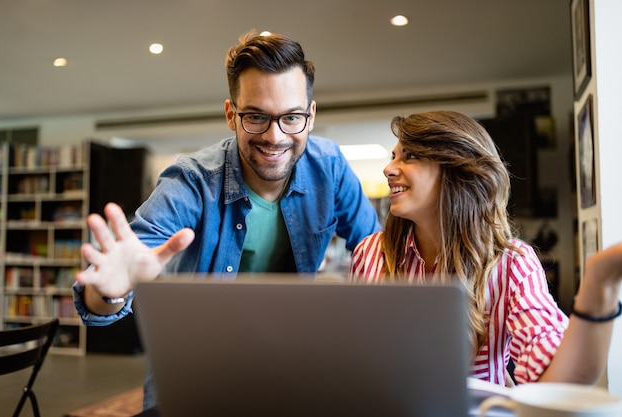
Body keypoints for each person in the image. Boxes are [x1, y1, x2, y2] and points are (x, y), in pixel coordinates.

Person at [72, 31, 381, 409]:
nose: (275, 136)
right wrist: (110, 291)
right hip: (198, 372)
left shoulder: (330, 168)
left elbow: (377, 252)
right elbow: (104, 296)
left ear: (310, 115)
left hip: (292, 363)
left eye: (292, 117)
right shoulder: (191, 180)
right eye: (255, 117)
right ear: (231, 114)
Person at [349, 110, 622, 387]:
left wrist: (600, 282)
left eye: (410, 156)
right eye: (394, 156)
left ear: (457, 171)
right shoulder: (369, 253)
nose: (389, 169)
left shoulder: (512, 264)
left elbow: (557, 383)